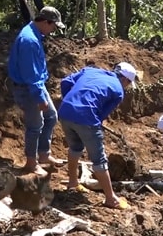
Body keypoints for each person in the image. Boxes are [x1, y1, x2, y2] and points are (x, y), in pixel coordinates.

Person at [59, 62, 138, 210]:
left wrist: (71, 103)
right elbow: (102, 114)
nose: (126, 86)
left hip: (64, 111)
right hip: (86, 118)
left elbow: (65, 82)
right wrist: (93, 126)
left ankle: (72, 183)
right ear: (126, 80)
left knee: (75, 148)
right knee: (99, 159)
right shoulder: (118, 91)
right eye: (128, 84)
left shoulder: (90, 71)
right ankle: (111, 199)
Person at [8, 6, 66, 176]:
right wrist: (40, 98)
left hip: (36, 85)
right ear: (46, 22)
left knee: (51, 116)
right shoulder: (29, 41)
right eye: (53, 26)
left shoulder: (34, 34)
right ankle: (31, 163)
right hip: (29, 89)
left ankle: (44, 155)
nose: (53, 30)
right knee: (35, 126)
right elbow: (30, 75)